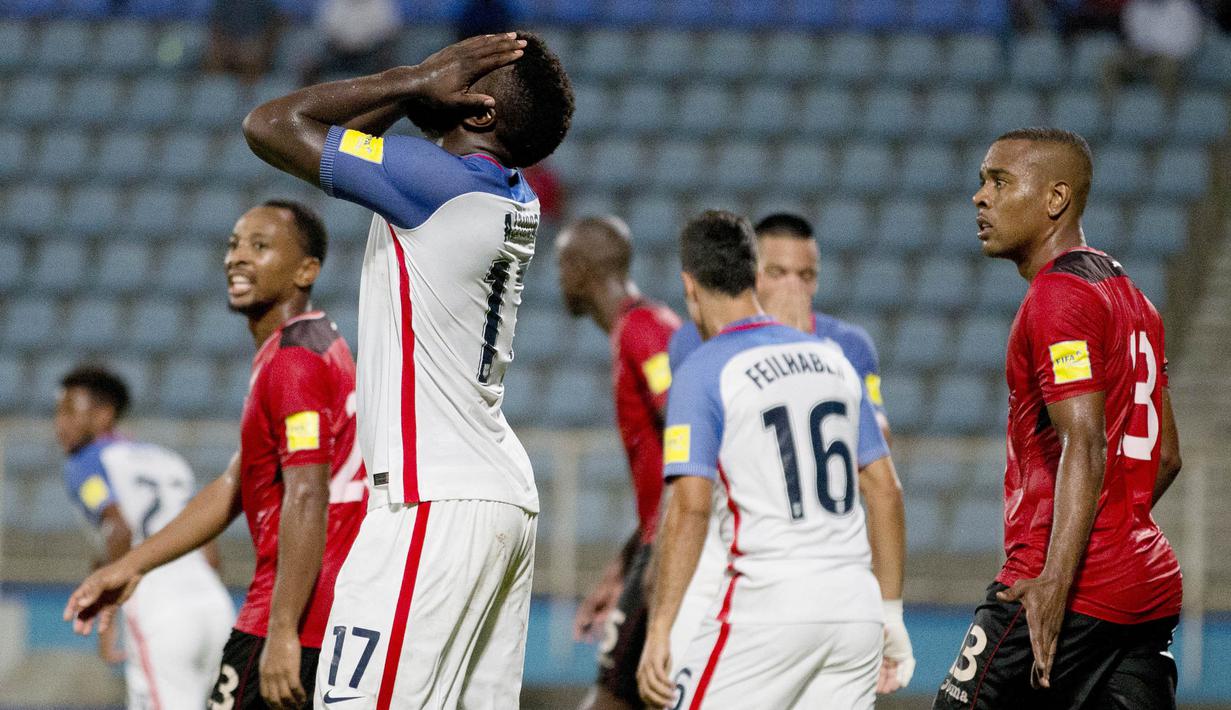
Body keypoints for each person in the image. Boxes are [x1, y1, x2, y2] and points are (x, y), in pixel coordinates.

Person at [241, 33, 573, 707]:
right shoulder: (507, 193)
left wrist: (412, 78)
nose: (443, 67)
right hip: (494, 497)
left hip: (431, 499)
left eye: (462, 68)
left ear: (478, 112)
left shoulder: (429, 179)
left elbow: (270, 125)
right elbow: (333, 148)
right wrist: (420, 90)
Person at [65, 200, 367, 709]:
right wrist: (132, 566)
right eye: (234, 245)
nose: (238, 258)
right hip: (314, 602)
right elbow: (234, 485)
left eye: (260, 246)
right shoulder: (308, 341)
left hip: (294, 607)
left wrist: (284, 630)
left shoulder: (293, 363)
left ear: (306, 270)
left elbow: (308, 494)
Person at [933, 128, 1183, 709]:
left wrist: (1058, 577)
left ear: (1055, 200)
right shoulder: (1132, 296)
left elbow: (1086, 441)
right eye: (980, 181)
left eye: (999, 180)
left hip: (1068, 583)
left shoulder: (1059, 298)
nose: (980, 196)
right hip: (1145, 584)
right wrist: (1117, 529)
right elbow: (1165, 454)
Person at [636, 211, 908, 709]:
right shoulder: (833, 359)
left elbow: (692, 506)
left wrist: (660, 628)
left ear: (689, 286)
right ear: (753, 275)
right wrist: (891, 613)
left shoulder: (704, 368)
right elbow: (886, 488)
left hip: (771, 600)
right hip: (855, 608)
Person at [556, 216, 681, 710]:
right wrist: (622, 568)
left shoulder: (643, 330)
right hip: (660, 543)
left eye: (562, 265)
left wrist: (657, 558)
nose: (559, 279)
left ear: (580, 269)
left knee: (614, 696)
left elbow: (687, 437)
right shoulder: (637, 329)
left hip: (670, 548)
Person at [55, 366, 234, 709]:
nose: (60, 423)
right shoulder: (167, 459)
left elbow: (117, 529)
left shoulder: (85, 462)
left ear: (104, 415)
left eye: (70, 412)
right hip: (215, 606)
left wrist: (109, 615)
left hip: (160, 610)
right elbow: (208, 547)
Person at [669, 213, 891, 445]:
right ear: (752, 274)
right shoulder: (693, 340)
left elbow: (880, 436)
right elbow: (700, 435)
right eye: (778, 273)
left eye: (806, 275)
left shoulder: (850, 344)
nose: (793, 287)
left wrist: (801, 348)